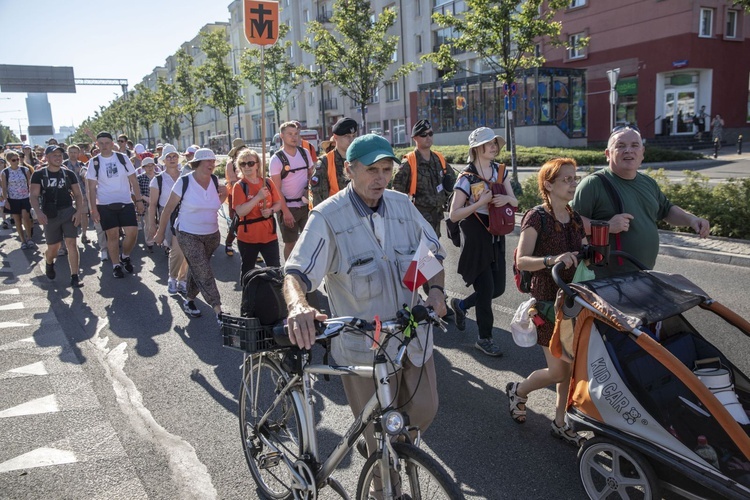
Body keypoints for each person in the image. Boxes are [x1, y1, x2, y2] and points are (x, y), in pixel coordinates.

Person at [284, 133, 447, 462]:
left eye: (387, 169)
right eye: (372, 169)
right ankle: (379, 480)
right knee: (377, 434)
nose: (381, 178)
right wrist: (298, 304)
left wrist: (437, 291)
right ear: (349, 169)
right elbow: (295, 274)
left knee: (424, 410)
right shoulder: (327, 217)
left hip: (410, 336)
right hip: (364, 349)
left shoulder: (402, 205)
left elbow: (431, 254)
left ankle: (397, 451)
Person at [506, 158, 587, 445]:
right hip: (546, 304)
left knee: (570, 364)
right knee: (558, 370)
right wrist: (552, 259)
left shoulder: (574, 217)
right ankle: (519, 390)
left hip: (573, 301)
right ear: (548, 184)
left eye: (574, 178)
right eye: (566, 179)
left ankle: (561, 421)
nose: (572, 183)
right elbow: (522, 260)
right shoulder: (536, 217)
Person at [571, 125, 710, 277]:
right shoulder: (593, 184)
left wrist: (692, 220)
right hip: (606, 281)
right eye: (620, 146)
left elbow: (667, 209)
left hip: (643, 274)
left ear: (642, 153)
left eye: (635, 145)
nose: (628, 150)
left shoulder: (648, 182)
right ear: (608, 154)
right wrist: (608, 226)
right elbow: (570, 224)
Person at [449, 127, 517, 357]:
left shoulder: (500, 171)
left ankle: (461, 305)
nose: (494, 147)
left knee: (497, 289)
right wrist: (481, 203)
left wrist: (505, 198)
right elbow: (454, 214)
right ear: (476, 148)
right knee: (486, 289)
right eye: (490, 143)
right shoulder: (466, 178)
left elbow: (515, 202)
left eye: (495, 143)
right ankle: (484, 338)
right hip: (476, 234)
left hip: (496, 232)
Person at [154, 148, 228, 322]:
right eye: (207, 160)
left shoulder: (215, 181)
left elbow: (223, 194)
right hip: (188, 233)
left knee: (197, 268)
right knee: (203, 269)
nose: (212, 164)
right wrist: (159, 233)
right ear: (198, 163)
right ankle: (218, 310)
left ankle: (189, 300)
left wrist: (220, 200)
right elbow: (168, 209)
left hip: (211, 235)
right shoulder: (184, 182)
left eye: (213, 160)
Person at [86, 131, 146, 278]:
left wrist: (138, 201)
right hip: (105, 204)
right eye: (101, 143)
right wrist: (93, 209)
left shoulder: (122, 158)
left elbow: (134, 181)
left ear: (112, 144)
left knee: (132, 233)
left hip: (125, 201)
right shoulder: (94, 162)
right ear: (97, 144)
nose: (104, 146)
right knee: (112, 236)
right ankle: (116, 265)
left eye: (107, 143)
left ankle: (125, 256)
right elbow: (91, 188)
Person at [29, 145, 86, 288]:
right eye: (54, 155)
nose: (57, 158)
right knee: (54, 248)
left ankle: (74, 276)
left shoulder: (68, 174)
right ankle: (49, 262)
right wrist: (39, 212)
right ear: (47, 157)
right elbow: (34, 196)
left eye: (60, 155)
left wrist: (79, 212)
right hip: (50, 214)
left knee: (72, 244)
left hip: (68, 211)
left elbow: (78, 195)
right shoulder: (39, 174)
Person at [392, 119, 455, 238]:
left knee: (436, 252)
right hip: (418, 219)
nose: (428, 137)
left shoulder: (439, 159)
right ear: (414, 138)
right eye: (423, 134)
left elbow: (452, 182)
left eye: (430, 133)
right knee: (422, 254)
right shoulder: (409, 163)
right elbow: (396, 195)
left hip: (437, 216)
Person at [231, 149, 282, 278]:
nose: (247, 167)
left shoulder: (267, 182)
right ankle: (248, 297)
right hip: (248, 237)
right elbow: (240, 211)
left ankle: (275, 297)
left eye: (250, 163)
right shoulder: (239, 186)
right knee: (248, 271)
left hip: (269, 235)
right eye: (243, 164)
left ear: (257, 164)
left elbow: (278, 204)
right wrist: (258, 197)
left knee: (275, 270)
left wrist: (270, 211)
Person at [269, 121, 315, 259]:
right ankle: (289, 272)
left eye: (296, 134)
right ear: (282, 136)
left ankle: (307, 271)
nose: (294, 137)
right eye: (290, 134)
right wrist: (286, 212)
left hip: (306, 205)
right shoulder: (276, 159)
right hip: (288, 208)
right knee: (290, 244)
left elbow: (311, 176)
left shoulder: (304, 153)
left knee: (310, 241)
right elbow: (276, 190)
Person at [148, 148, 189, 295]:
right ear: (163, 160)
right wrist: (153, 225)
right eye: (168, 157)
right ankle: (173, 278)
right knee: (176, 249)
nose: (172, 159)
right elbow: (152, 204)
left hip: (185, 214)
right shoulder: (157, 180)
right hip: (167, 215)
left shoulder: (187, 176)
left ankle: (182, 279)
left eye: (174, 156)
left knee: (186, 248)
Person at [310, 117, 357, 208]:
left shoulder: (361, 158)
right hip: (335, 215)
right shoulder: (325, 162)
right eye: (347, 136)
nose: (351, 140)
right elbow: (317, 196)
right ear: (335, 137)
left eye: (354, 136)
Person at [1, 150, 35, 250]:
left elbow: (30, 184)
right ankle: (23, 240)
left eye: (17, 159)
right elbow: (4, 187)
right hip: (13, 199)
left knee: (26, 217)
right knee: (17, 220)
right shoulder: (5, 172)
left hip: (25, 197)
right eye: (13, 160)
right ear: (9, 161)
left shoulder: (25, 170)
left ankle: (29, 238)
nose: (16, 161)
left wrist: (32, 197)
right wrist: (6, 200)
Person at [224, 138, 247, 257]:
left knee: (249, 222)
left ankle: (251, 249)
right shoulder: (230, 164)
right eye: (240, 149)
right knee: (236, 221)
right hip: (235, 195)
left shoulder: (249, 161)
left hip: (249, 195)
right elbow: (232, 182)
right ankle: (229, 242)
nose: (243, 150)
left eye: (244, 148)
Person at [64, 145, 90, 244]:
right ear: (67, 153)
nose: (73, 154)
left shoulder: (82, 164)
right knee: (68, 216)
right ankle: (70, 236)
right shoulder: (64, 165)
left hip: (82, 192)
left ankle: (84, 234)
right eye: (71, 152)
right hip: (68, 194)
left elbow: (86, 178)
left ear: (78, 153)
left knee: (83, 214)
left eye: (75, 152)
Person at [136, 157, 158, 252]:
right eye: (147, 166)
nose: (150, 168)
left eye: (151, 165)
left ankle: (161, 241)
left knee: (161, 222)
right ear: (143, 168)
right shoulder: (140, 178)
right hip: (147, 204)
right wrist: (145, 198)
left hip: (160, 203)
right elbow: (137, 192)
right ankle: (149, 242)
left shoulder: (159, 176)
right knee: (149, 223)